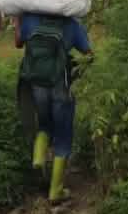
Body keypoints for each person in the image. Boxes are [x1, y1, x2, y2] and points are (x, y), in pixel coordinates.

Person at [14, 12, 93, 203]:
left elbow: (18, 43)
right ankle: (55, 192)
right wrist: (78, 69)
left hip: (37, 83)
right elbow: (89, 54)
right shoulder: (72, 23)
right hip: (62, 85)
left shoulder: (31, 20)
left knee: (44, 124)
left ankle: (39, 158)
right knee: (63, 135)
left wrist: (17, 22)